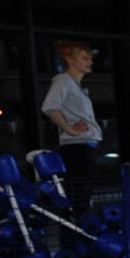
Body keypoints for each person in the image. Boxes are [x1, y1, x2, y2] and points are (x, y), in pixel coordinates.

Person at [41, 40, 101, 201]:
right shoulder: (64, 81)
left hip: (84, 144)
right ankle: (75, 223)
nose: (90, 62)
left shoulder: (75, 85)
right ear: (70, 60)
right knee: (79, 192)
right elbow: (49, 107)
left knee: (83, 191)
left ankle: (77, 222)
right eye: (84, 58)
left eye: (89, 58)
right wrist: (70, 130)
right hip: (76, 146)